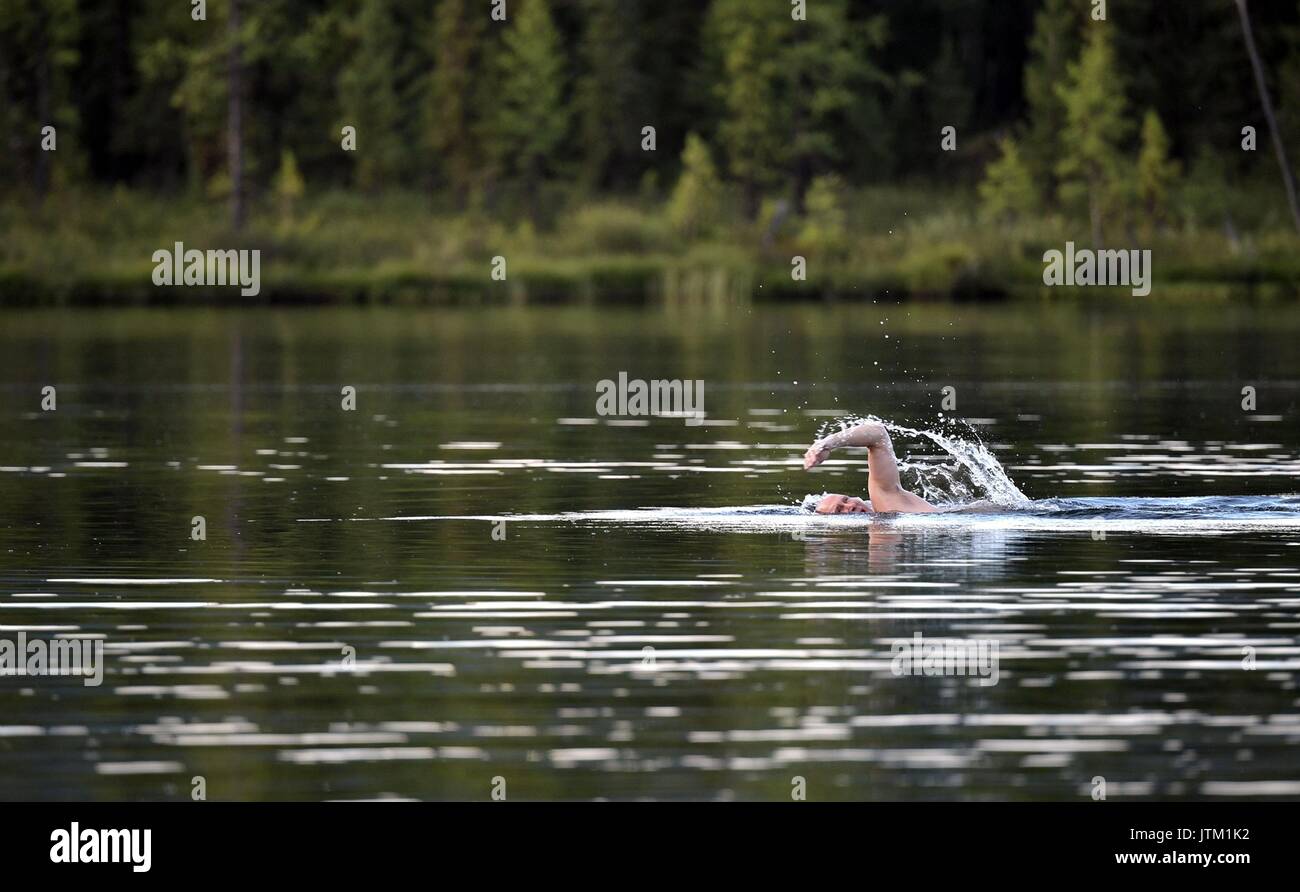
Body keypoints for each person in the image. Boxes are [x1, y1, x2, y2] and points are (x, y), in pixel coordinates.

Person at [802, 419, 936, 514]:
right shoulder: (883, 524)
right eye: (839, 510)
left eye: (846, 499)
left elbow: (879, 434)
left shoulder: (887, 502)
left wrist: (826, 444)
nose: (850, 506)